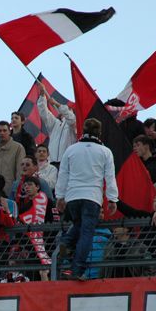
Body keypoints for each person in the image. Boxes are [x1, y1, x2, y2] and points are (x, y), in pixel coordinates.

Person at [55, 118, 118, 281]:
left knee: (78, 224)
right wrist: (112, 199)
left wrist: (60, 196)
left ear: (83, 130)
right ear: (100, 132)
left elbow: (63, 174)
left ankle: (67, 241)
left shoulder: (71, 150)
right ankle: (78, 270)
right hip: (92, 197)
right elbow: (109, 177)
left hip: (72, 197)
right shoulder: (105, 151)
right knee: (86, 233)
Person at [37, 82, 77, 167]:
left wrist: (56, 104)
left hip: (67, 164)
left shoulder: (73, 124)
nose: (63, 110)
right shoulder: (55, 123)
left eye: (67, 108)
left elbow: (71, 118)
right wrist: (42, 95)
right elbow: (44, 113)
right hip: (51, 164)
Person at [0, 120, 25, 196]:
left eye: (4, 130)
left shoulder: (18, 148)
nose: (2, 133)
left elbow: (20, 171)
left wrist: (17, 189)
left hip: (10, 191)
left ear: (9, 132)